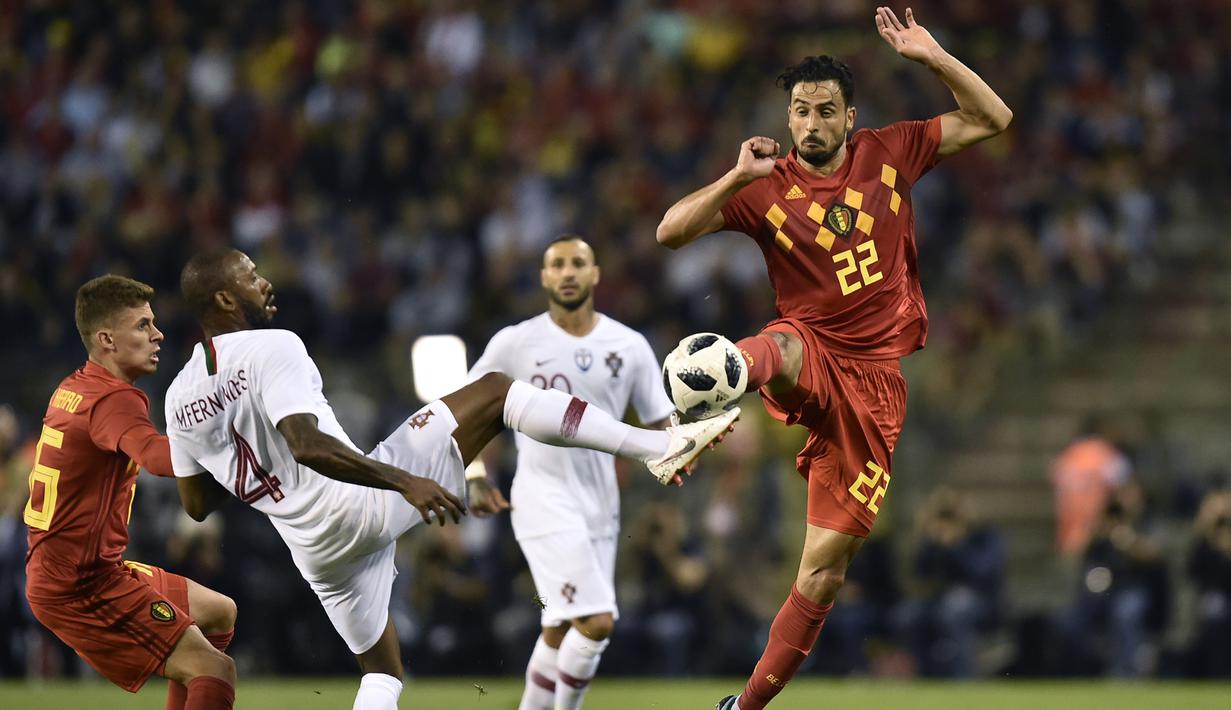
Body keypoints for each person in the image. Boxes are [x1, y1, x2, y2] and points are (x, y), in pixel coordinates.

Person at [163, 248, 737, 710]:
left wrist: (254, 469)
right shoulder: (273, 346)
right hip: (360, 502)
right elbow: (309, 445)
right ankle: (657, 447)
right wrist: (403, 482)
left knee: (383, 674)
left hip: (312, 549)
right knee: (493, 392)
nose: (264, 283)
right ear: (223, 297)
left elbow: (195, 504)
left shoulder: (179, 395)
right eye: (251, 275)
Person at [654, 8, 1012, 708]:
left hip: (876, 387)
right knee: (782, 342)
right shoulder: (764, 185)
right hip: (810, 352)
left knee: (821, 574)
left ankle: (744, 706)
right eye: (798, 110)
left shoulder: (891, 151)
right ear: (786, 117)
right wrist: (732, 178)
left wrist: (932, 56)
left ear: (850, 117)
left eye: (824, 111)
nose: (809, 123)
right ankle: (704, 404)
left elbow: (993, 117)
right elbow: (669, 232)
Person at [466, 235, 677, 710]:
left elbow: (661, 421)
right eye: (556, 264)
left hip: (601, 505)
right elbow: (468, 410)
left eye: (577, 263)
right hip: (542, 498)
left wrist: (682, 447)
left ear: (595, 274)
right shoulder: (516, 342)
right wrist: (476, 474)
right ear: (543, 277)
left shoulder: (629, 345)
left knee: (559, 626)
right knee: (597, 621)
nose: (567, 273)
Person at [23, 275, 238, 710]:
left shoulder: (74, 387)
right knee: (216, 670)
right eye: (142, 325)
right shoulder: (115, 399)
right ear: (107, 339)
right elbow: (161, 460)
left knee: (219, 611)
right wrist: (237, 439)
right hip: (82, 586)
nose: (157, 334)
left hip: (76, 569)